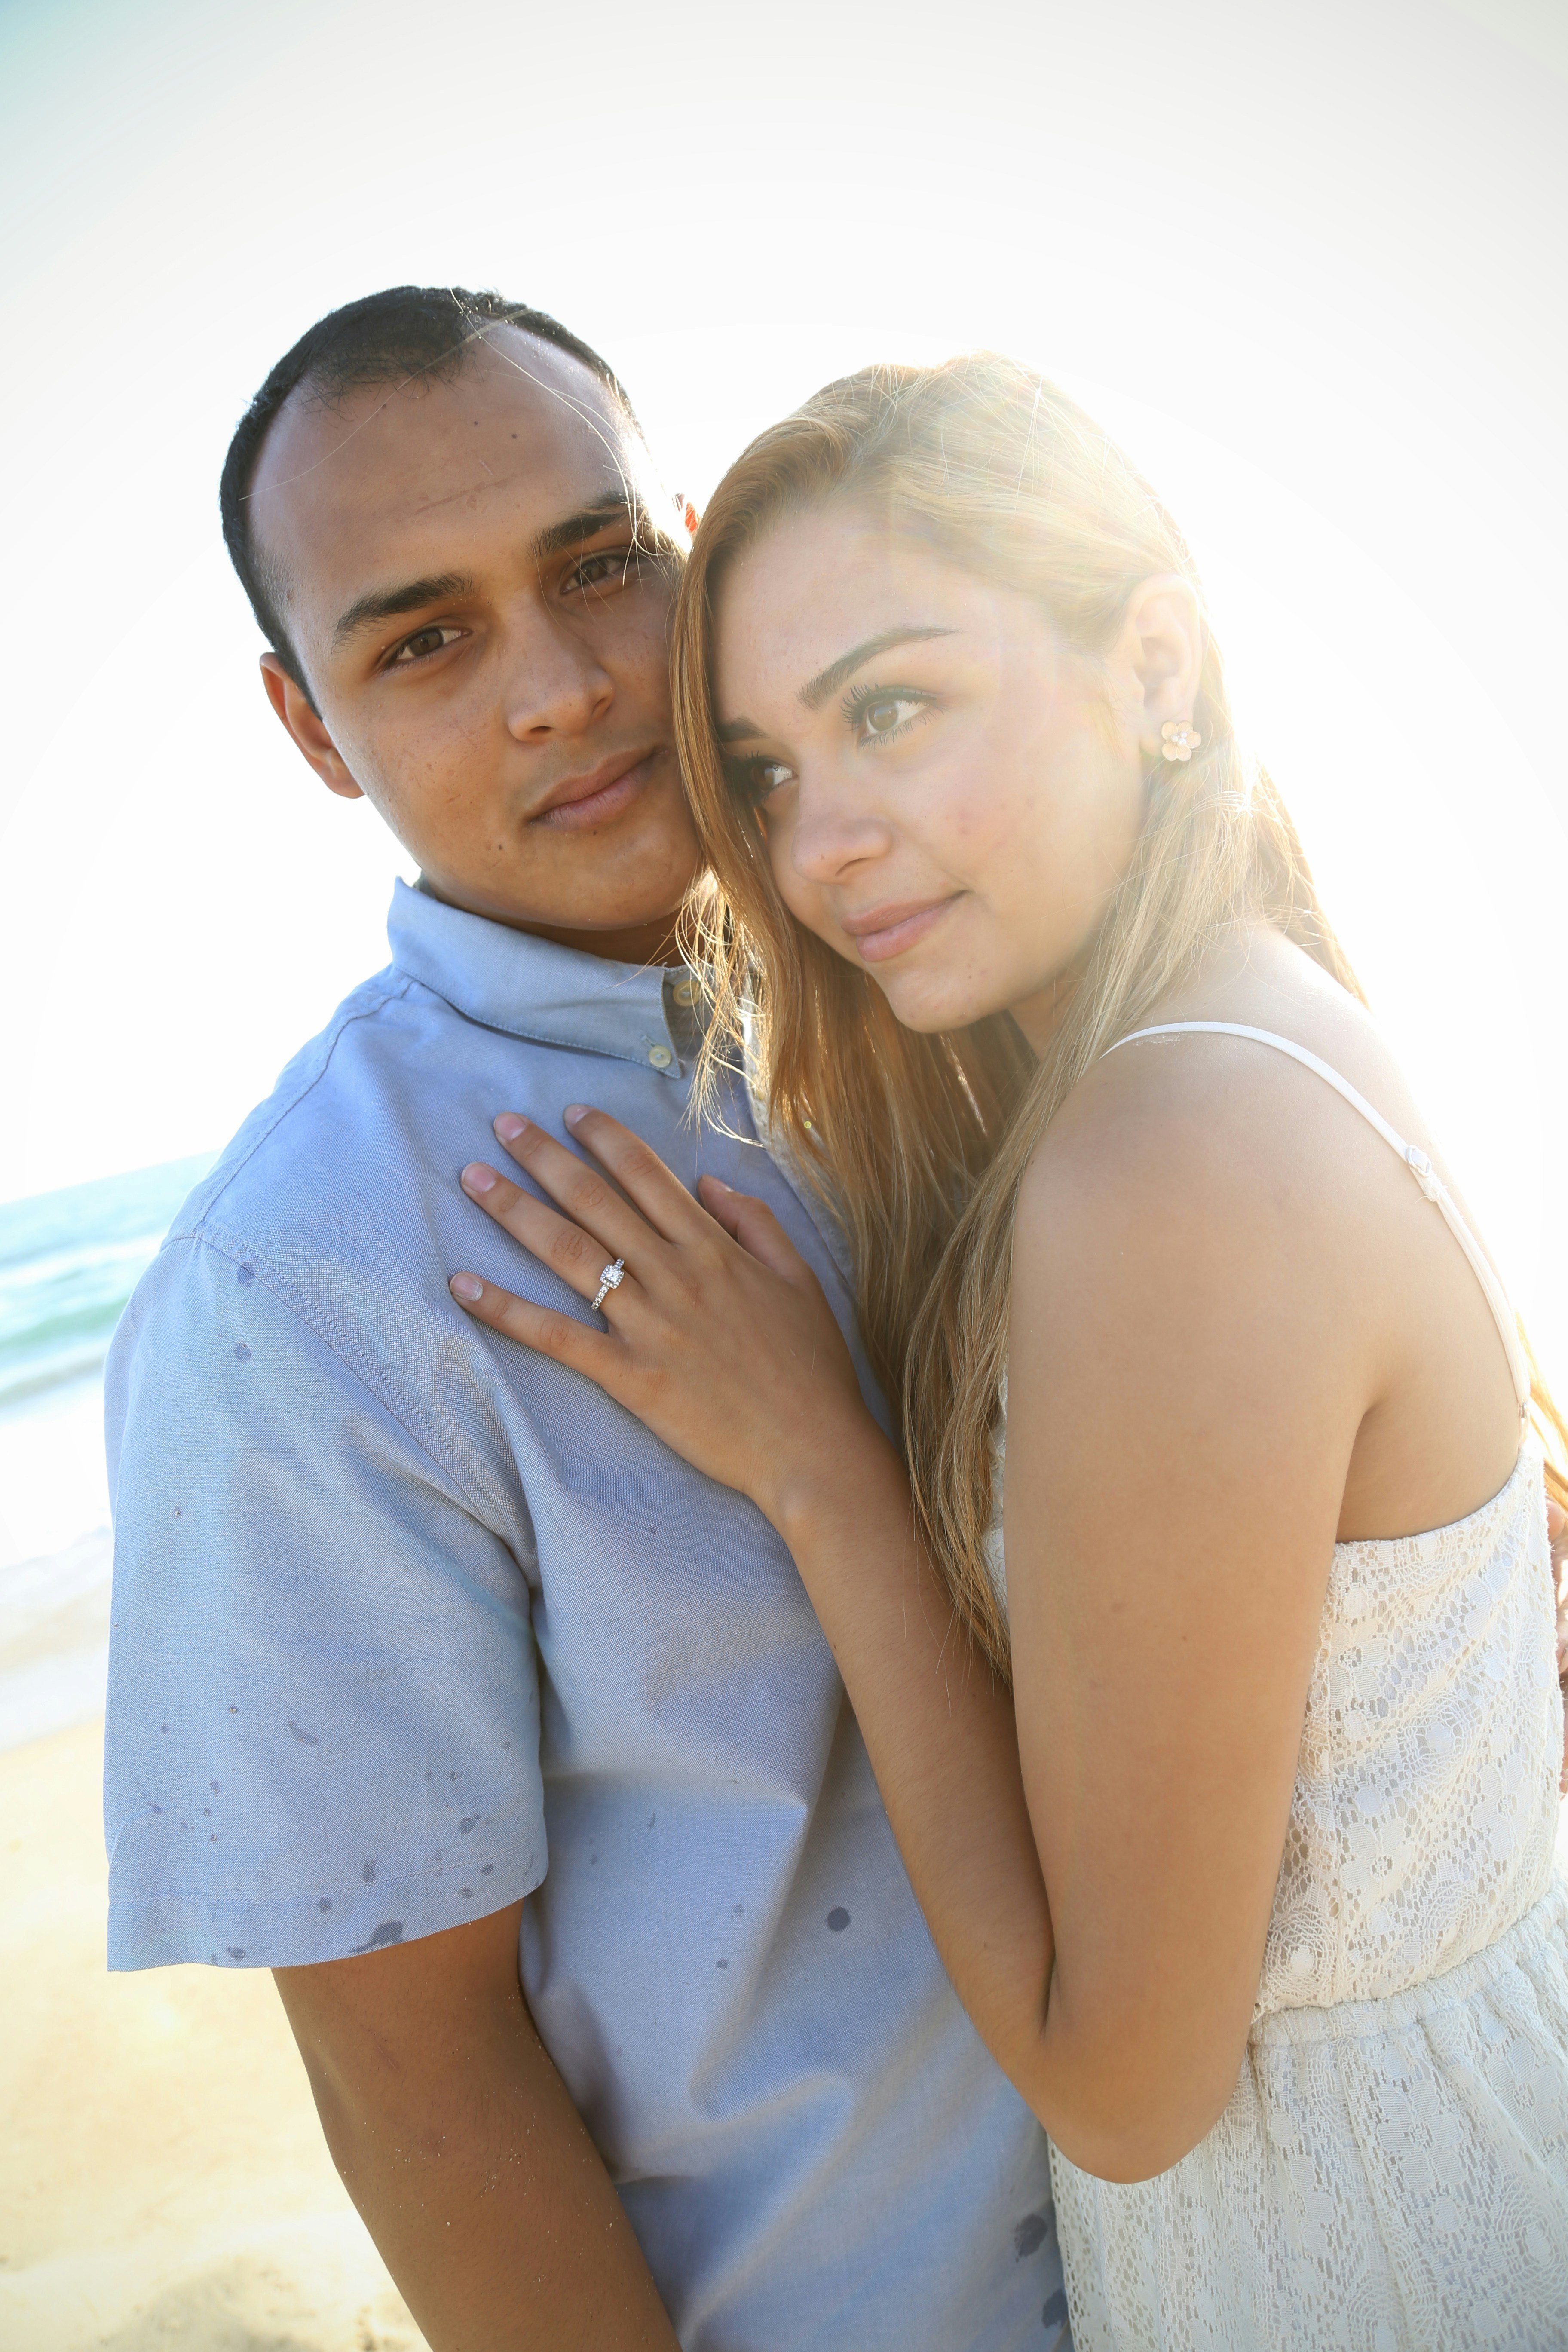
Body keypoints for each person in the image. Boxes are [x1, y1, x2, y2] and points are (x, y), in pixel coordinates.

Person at [448, 355, 1568, 2349]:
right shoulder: (1261, 1025)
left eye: (893, 708)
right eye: (770, 773)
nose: (819, 851)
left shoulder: (1164, 1169)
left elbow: (1127, 2095)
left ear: (1157, 669)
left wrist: (824, 1475)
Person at [103, 300, 1069, 2351]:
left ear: (698, 547)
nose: (558, 688)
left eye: (599, 566)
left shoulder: (938, 974)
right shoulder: (304, 1288)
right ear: (305, 724)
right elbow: (422, 2089)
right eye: (424, 639)